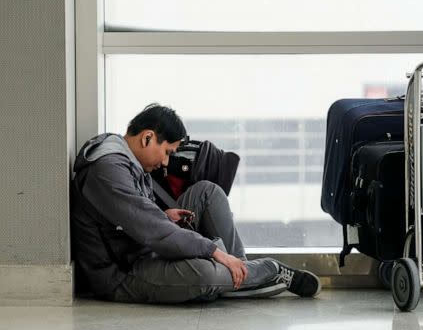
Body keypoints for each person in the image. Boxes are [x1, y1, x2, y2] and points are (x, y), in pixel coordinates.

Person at [71, 104, 321, 304]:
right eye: (168, 152)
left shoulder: (123, 155)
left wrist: (163, 215)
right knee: (205, 273)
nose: (167, 163)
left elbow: (135, 218)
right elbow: (154, 232)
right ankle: (267, 271)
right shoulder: (107, 169)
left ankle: (240, 274)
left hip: (139, 246)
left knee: (207, 193)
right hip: (123, 273)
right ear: (148, 138)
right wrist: (215, 252)